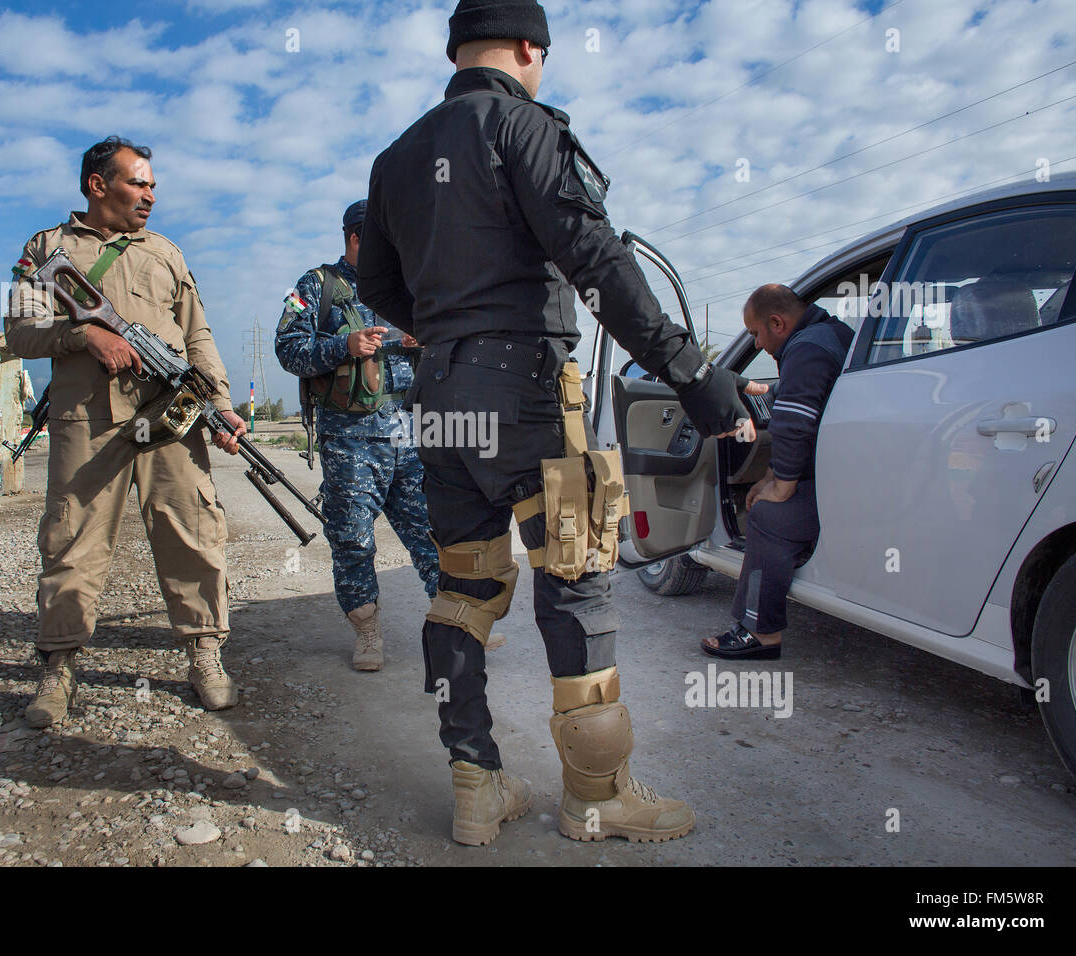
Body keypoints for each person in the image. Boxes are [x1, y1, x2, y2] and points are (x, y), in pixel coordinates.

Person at [358, 0, 758, 846]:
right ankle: (596, 796)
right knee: (577, 578)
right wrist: (698, 379)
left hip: (437, 398)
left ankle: (477, 789)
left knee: (465, 588)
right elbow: (600, 261)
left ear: (456, 52)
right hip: (527, 393)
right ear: (531, 49)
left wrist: (447, 331)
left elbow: (380, 290)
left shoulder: (395, 160)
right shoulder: (525, 127)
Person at [4, 135, 248, 729]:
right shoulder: (49, 248)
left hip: (171, 419)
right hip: (87, 421)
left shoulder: (166, 252)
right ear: (97, 185)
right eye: (139, 183)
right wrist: (85, 336)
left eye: (153, 186)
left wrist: (219, 404)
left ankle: (204, 653)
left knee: (192, 530)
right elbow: (21, 331)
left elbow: (197, 336)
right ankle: (58, 668)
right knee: (73, 541)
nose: (150, 195)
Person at [275, 201, 440, 670]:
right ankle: (367, 632)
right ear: (356, 239)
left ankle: (457, 622)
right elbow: (287, 350)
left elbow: (441, 338)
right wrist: (342, 346)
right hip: (349, 440)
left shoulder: (404, 285)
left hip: (407, 432)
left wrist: (420, 339)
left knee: (431, 530)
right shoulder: (313, 286)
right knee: (352, 538)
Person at [702, 284, 854, 660]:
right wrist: (772, 475)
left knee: (768, 514)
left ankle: (759, 632)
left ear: (777, 322)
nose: (755, 345)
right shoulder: (831, 336)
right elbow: (794, 400)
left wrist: (781, 486)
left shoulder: (806, 349)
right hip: (849, 476)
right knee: (768, 495)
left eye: (755, 334)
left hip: (842, 490)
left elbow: (794, 423)